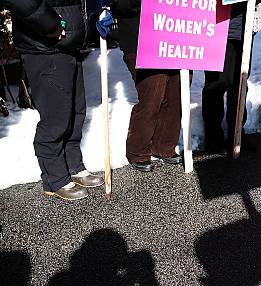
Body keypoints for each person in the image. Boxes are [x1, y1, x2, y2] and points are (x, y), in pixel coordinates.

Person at [7, 0, 104, 201]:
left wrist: (94, 12)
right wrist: (49, 23)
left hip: (67, 42)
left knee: (76, 112)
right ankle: (55, 178)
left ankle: (73, 165)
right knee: (56, 118)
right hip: (44, 44)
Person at [113, 0, 182, 172]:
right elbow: (122, 6)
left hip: (177, 37)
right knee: (152, 93)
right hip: (142, 38)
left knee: (176, 92)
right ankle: (138, 150)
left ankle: (164, 146)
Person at [202, 2, 261, 154]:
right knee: (216, 83)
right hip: (218, 24)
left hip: (245, 25)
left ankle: (236, 134)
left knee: (239, 84)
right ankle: (213, 138)